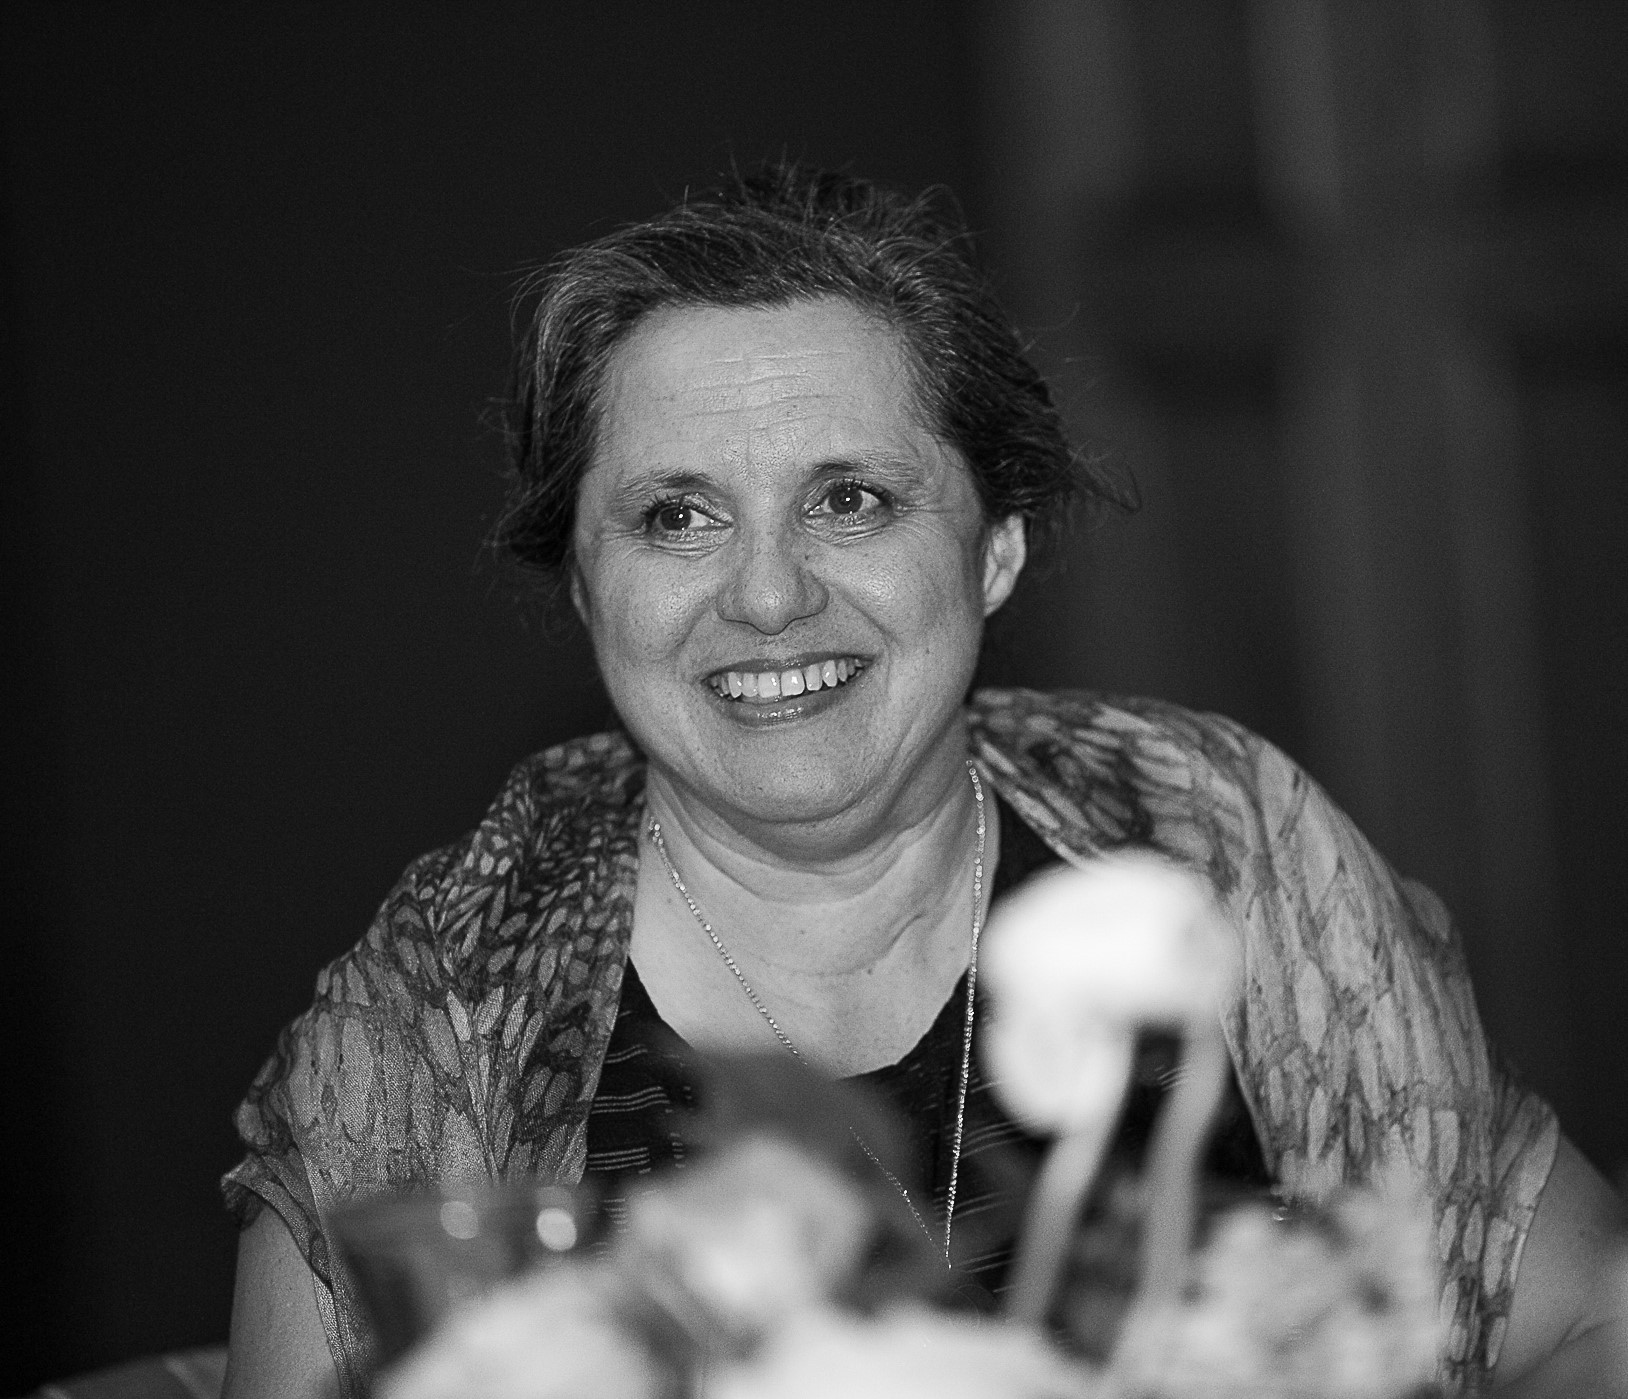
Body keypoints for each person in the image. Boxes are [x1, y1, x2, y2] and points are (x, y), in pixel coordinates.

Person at [220, 165, 1623, 1399]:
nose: (770, 594)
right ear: (587, 588)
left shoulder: (1212, 847)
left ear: (995, 550)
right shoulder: (445, 1015)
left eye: (851, 500)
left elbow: (1588, 1324)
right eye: (677, 516)